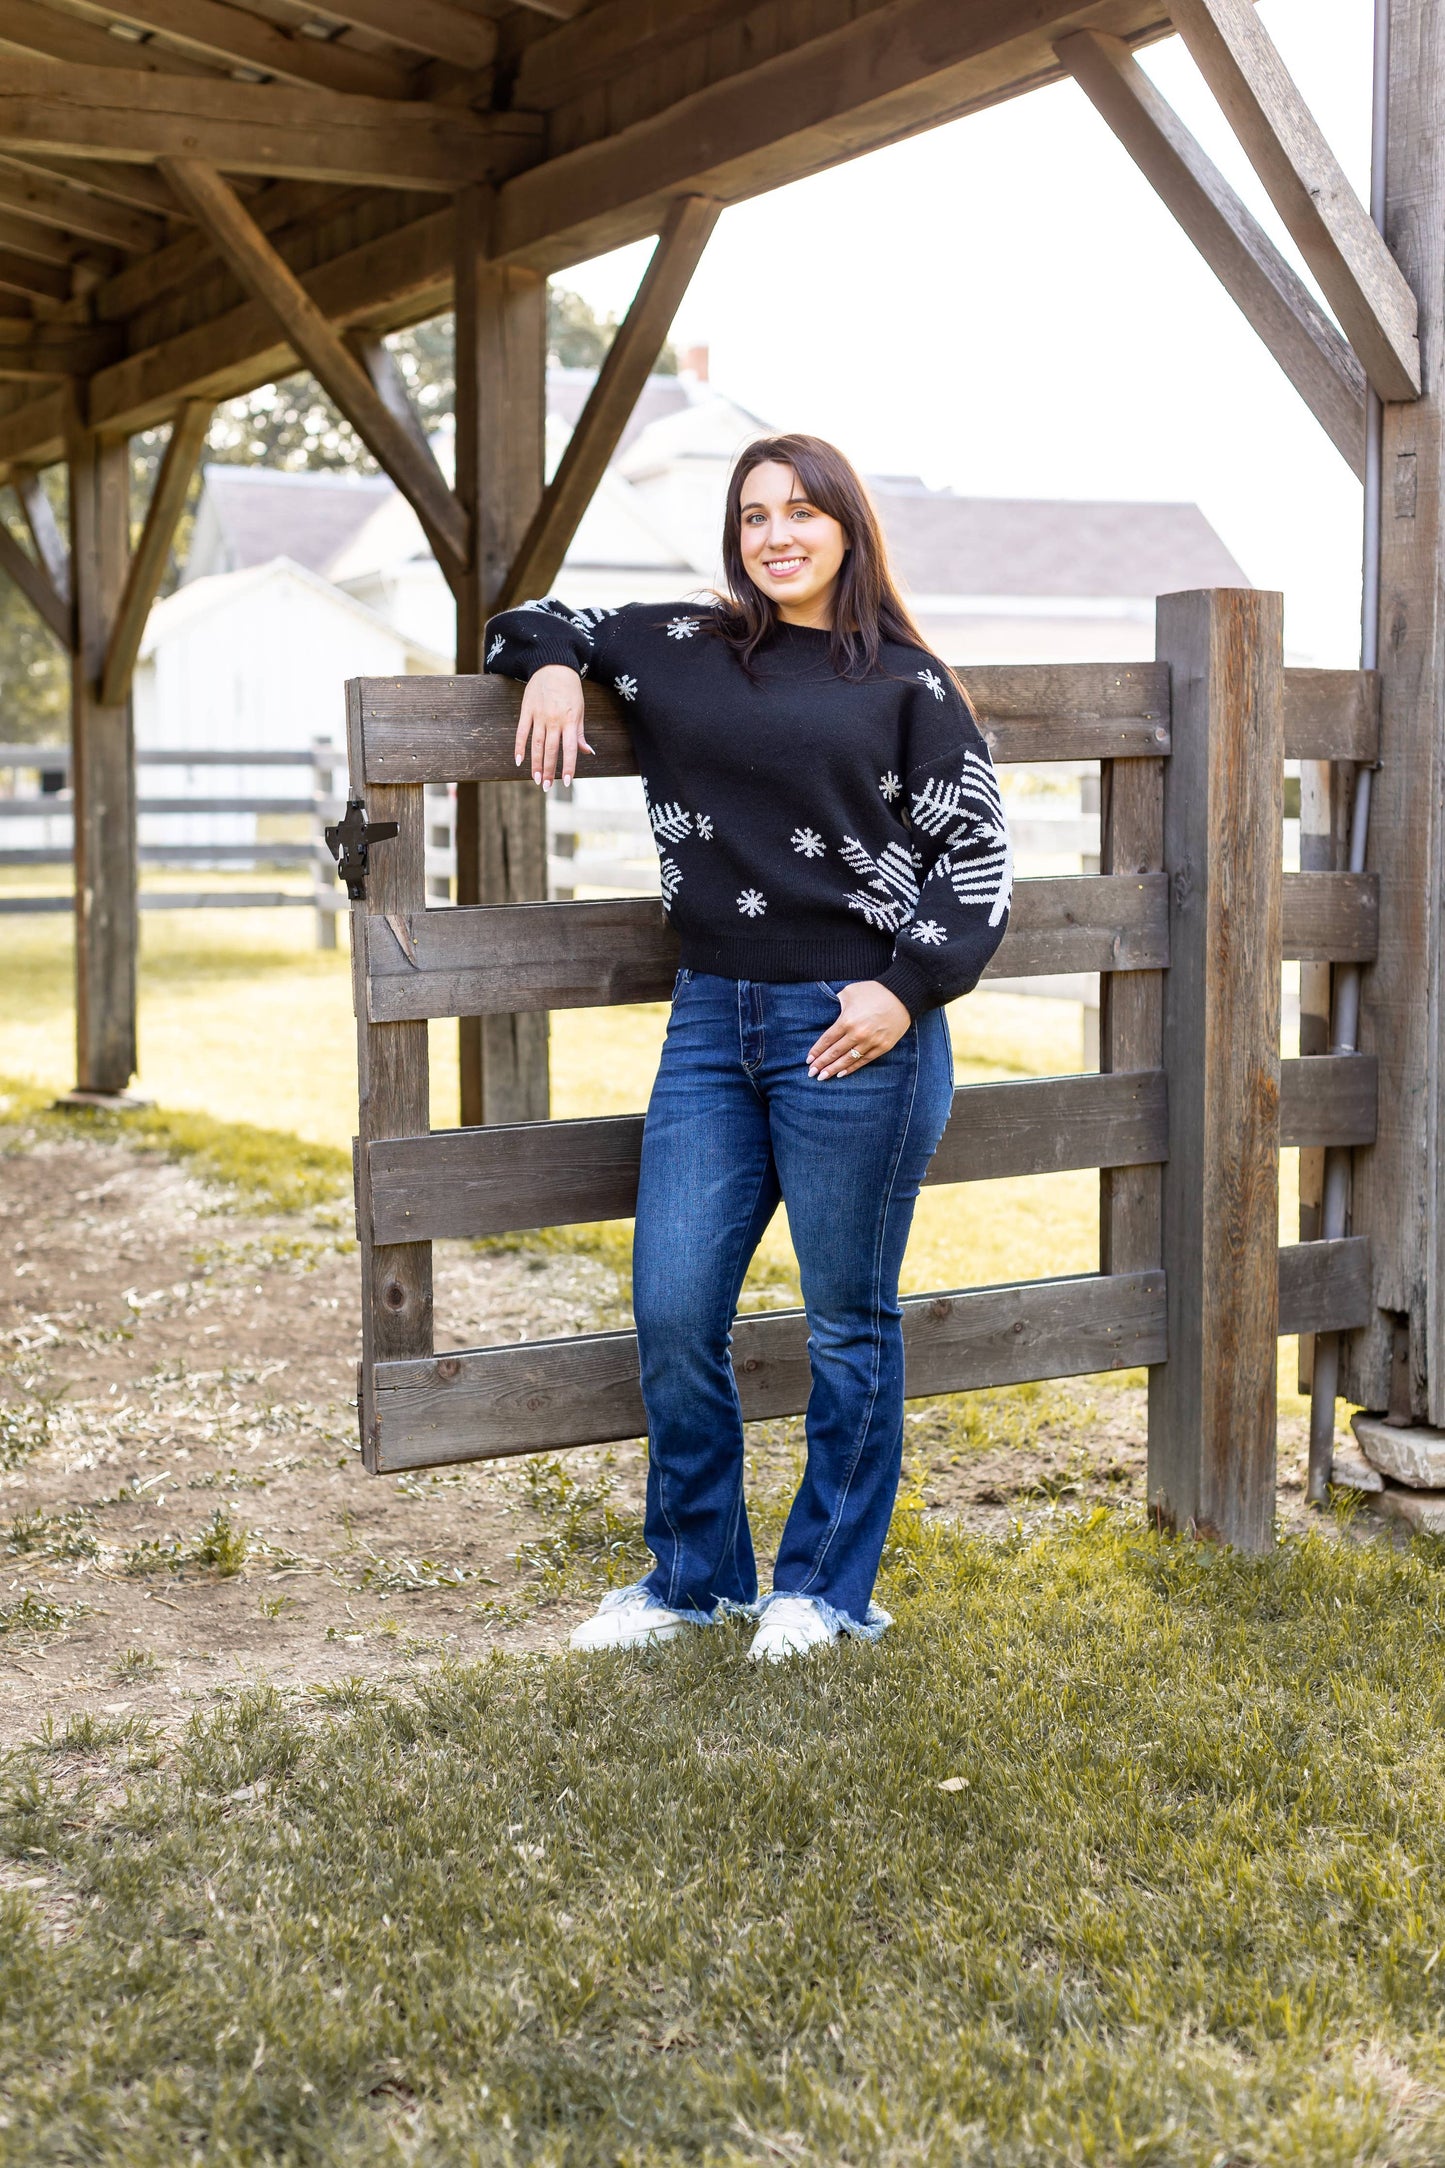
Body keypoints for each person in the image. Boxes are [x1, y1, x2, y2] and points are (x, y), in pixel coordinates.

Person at [483, 433, 1011, 1663]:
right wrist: (558, 668)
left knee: (844, 1320)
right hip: (712, 1019)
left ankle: (821, 1588)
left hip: (855, 1025)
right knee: (671, 1307)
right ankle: (693, 1577)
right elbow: (531, 614)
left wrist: (905, 989)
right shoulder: (684, 646)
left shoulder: (906, 686)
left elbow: (977, 863)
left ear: (845, 528)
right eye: (753, 515)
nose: (775, 534)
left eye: (801, 513)